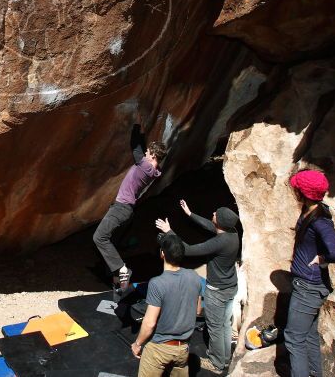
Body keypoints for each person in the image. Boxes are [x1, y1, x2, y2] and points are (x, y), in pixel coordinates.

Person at [155, 202, 240, 374]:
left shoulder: (219, 242)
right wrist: (190, 214)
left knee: (215, 327)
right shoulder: (232, 233)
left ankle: (217, 364)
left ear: (221, 222)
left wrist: (169, 231)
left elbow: (188, 250)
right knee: (224, 324)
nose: (214, 212)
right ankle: (224, 358)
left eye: (217, 213)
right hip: (230, 286)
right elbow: (212, 226)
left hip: (217, 291)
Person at [285, 169, 335, 377]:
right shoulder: (311, 210)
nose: (294, 191)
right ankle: (313, 373)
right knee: (309, 335)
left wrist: (322, 258)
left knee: (294, 339)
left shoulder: (320, 220)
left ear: (303, 193)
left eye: (296, 188)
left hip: (308, 288)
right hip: (308, 285)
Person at [93, 124, 166, 291]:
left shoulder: (146, 166)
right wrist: (141, 133)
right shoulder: (155, 170)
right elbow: (140, 149)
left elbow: (135, 148)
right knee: (109, 240)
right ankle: (116, 280)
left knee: (99, 238)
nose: (146, 153)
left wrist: (135, 127)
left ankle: (121, 270)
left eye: (148, 152)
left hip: (121, 208)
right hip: (126, 210)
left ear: (153, 155)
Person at [131, 233, 202, 377]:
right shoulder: (194, 276)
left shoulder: (157, 283)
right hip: (183, 349)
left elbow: (150, 323)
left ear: (162, 254)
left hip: (159, 349)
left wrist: (137, 344)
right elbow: (198, 310)